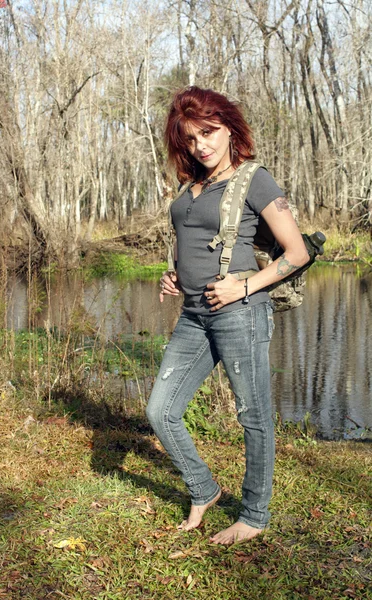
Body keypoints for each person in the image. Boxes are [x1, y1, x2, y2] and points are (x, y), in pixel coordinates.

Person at [146, 86, 309, 545]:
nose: (203, 145)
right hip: (194, 314)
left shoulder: (254, 179)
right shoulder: (189, 186)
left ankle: (254, 515)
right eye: (192, 139)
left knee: (253, 416)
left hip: (240, 311)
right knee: (161, 411)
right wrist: (174, 274)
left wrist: (245, 283)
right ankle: (204, 489)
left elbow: (297, 252)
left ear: (229, 128)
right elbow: (189, 240)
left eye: (209, 132)